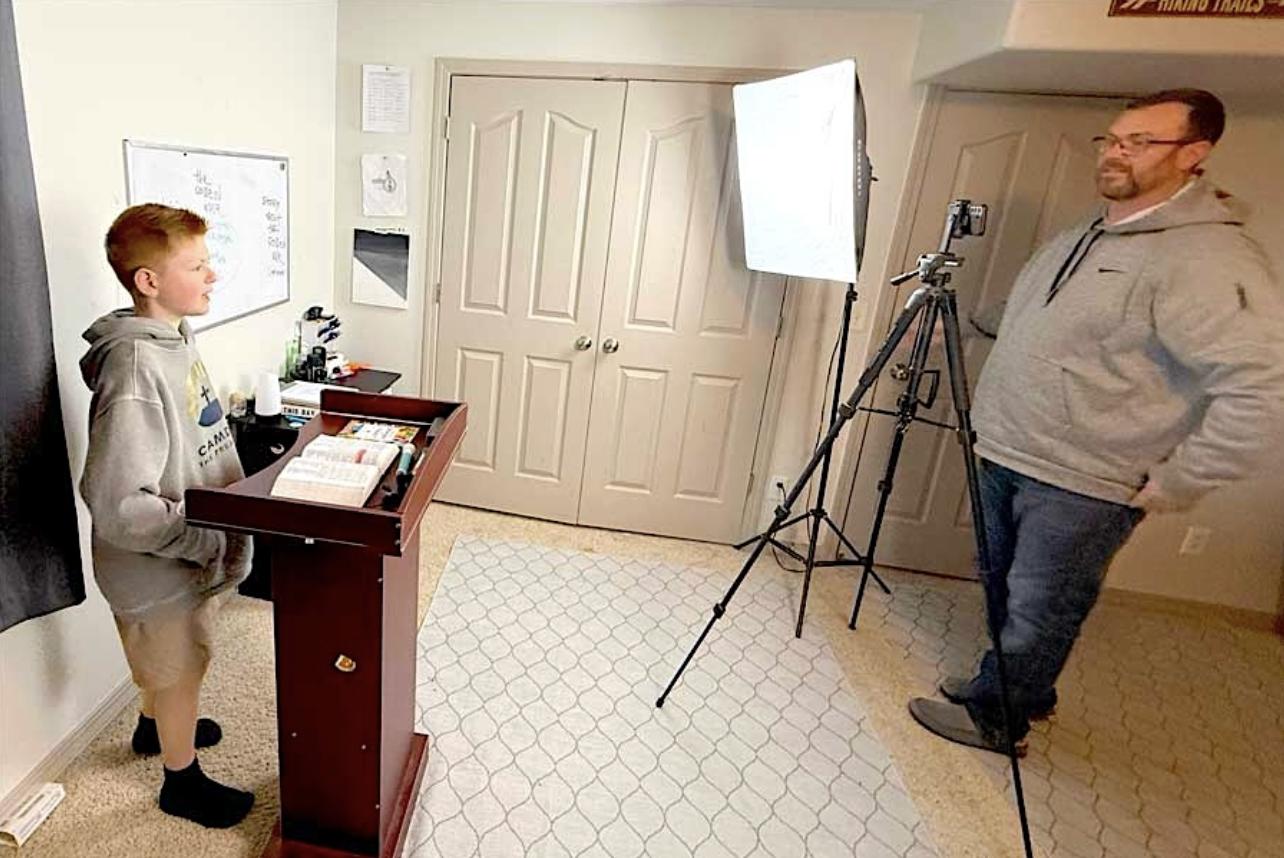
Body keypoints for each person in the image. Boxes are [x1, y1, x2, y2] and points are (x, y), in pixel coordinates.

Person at [908, 89, 1284, 753]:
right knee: (1005, 587)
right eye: (1112, 139)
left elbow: (1260, 386)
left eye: (1141, 141)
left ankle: (1001, 722)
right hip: (1011, 450)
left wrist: (1182, 481)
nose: (1116, 152)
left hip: (1084, 481)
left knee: (1039, 606)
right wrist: (972, 317)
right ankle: (1021, 686)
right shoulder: (1095, 228)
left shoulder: (1206, 259)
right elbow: (1048, 313)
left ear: (1194, 154)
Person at [79, 204, 255, 826]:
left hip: (189, 550)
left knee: (181, 658)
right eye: (197, 265)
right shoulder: (132, 368)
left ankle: (153, 730)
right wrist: (204, 541)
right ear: (147, 281)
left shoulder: (176, 337)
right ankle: (179, 783)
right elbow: (120, 504)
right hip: (157, 564)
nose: (213, 276)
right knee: (178, 668)